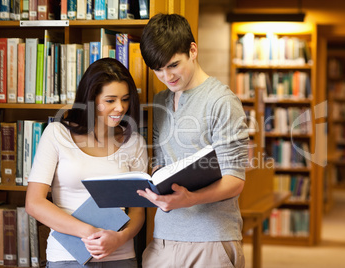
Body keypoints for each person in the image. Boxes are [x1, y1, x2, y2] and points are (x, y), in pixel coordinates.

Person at [137, 13, 249, 267]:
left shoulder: (222, 101)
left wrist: (191, 198)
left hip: (211, 239)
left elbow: (235, 180)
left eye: (173, 65)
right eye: (158, 70)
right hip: (164, 239)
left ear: (193, 50)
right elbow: (161, 161)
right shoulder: (160, 102)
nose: (167, 76)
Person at [25, 58, 147, 268]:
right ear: (91, 99)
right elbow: (34, 203)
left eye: (125, 99)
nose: (120, 107)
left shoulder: (134, 142)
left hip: (120, 256)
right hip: (67, 256)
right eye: (110, 100)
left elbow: (137, 210)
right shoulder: (57, 134)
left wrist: (120, 238)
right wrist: (89, 233)